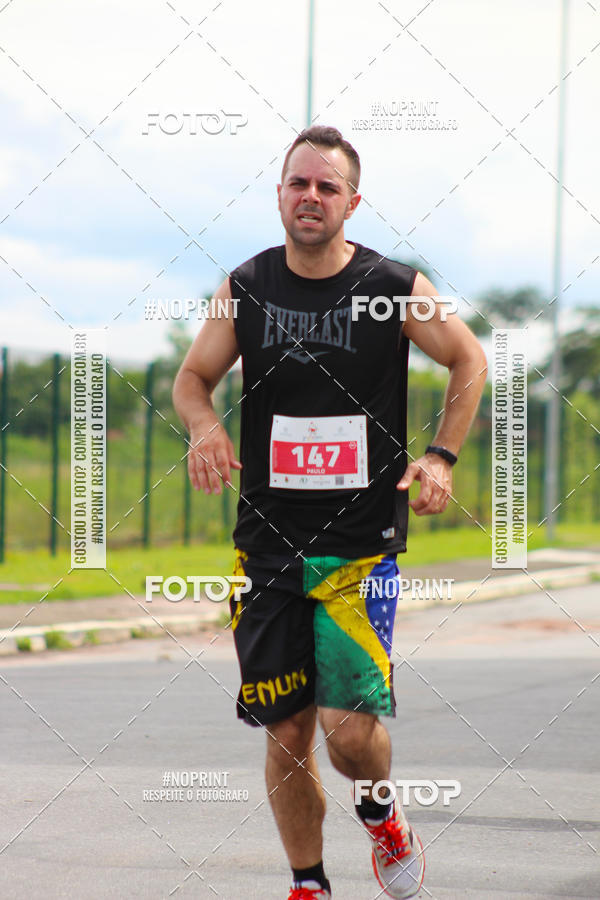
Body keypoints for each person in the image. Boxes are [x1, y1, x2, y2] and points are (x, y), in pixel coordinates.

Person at [173, 125, 487, 899]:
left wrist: (440, 456)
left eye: (326, 186)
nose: (310, 196)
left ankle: (380, 809)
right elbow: (192, 378)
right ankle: (308, 884)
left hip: (357, 547)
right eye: (297, 183)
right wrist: (206, 425)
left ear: (352, 201)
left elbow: (469, 359)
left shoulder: (391, 285)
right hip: (267, 549)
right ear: (279, 193)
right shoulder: (245, 288)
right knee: (286, 732)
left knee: (347, 733)